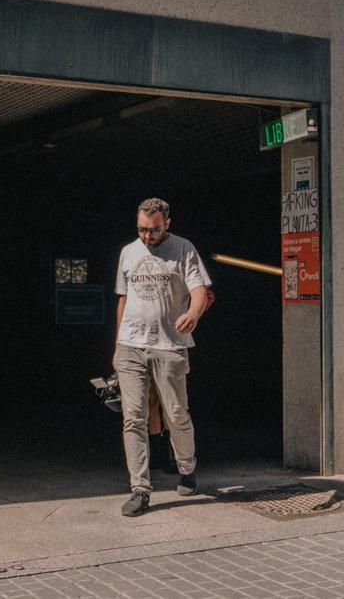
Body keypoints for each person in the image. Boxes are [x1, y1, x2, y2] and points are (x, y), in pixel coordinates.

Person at [112, 197, 211, 516]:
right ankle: (140, 489)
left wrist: (193, 314)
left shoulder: (184, 249)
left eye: (153, 230)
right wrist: (117, 345)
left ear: (167, 223)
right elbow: (123, 300)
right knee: (133, 417)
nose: (146, 236)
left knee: (176, 413)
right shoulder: (128, 252)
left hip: (169, 345)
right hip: (130, 346)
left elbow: (199, 291)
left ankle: (187, 466)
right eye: (141, 229)